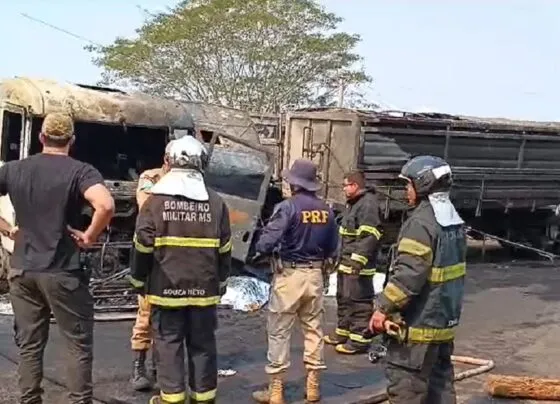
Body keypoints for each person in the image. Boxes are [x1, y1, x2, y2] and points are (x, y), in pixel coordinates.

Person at [0, 112, 115, 404]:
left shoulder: (14, 169)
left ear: (41, 137)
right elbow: (105, 204)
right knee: (77, 345)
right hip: (62, 270)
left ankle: (29, 400)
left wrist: (8, 229)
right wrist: (89, 236)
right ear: (71, 140)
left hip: (23, 270)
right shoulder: (80, 171)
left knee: (29, 346)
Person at [128, 135, 232, 404]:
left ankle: (172, 399)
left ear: (169, 161)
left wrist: (138, 280)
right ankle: (204, 398)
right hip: (204, 292)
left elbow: (142, 246)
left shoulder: (154, 202)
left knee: (169, 344)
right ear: (201, 164)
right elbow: (224, 250)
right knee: (203, 345)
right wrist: (221, 283)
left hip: (166, 290)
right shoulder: (217, 202)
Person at [369, 155, 467, 404]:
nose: (406, 191)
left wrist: (383, 308)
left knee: (407, 390)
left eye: (408, 184)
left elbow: (409, 275)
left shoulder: (421, 223)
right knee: (440, 390)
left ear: (422, 185)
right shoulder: (452, 219)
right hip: (442, 327)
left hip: (416, 331)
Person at [252, 159, 339, 404]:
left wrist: (261, 245)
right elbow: (334, 248)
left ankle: (276, 391)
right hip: (315, 277)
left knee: (280, 331)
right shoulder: (327, 210)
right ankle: (313, 388)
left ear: (294, 184)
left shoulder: (287, 208)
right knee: (314, 330)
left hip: (289, 276)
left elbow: (266, 243)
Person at [324, 170, 383, 355]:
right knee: (344, 298)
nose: (343, 189)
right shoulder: (354, 204)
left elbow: (369, 236)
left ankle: (359, 341)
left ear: (355, 186)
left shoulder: (367, 205)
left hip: (358, 267)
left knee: (359, 302)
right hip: (346, 263)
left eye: (345, 185)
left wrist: (357, 263)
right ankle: (343, 332)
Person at [130, 155, 170, 391]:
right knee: (146, 313)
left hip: (172, 257)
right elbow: (147, 207)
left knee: (167, 319)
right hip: (152, 255)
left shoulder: (186, 182)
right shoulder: (150, 177)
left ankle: (159, 367)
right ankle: (138, 367)